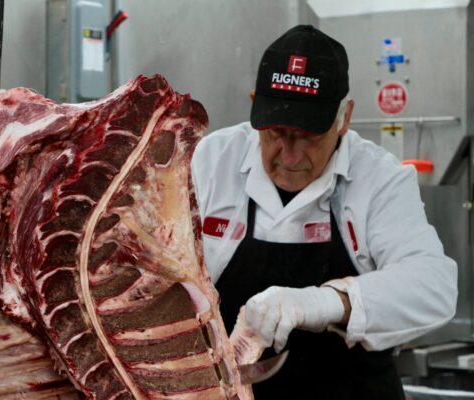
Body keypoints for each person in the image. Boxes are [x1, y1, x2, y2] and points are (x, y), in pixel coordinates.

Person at [191, 25, 457, 400]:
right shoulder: (209, 162)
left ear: (344, 118)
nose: (290, 155)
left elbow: (434, 286)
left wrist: (322, 302)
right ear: (254, 104)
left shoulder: (379, 178)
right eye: (275, 132)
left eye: (309, 136)